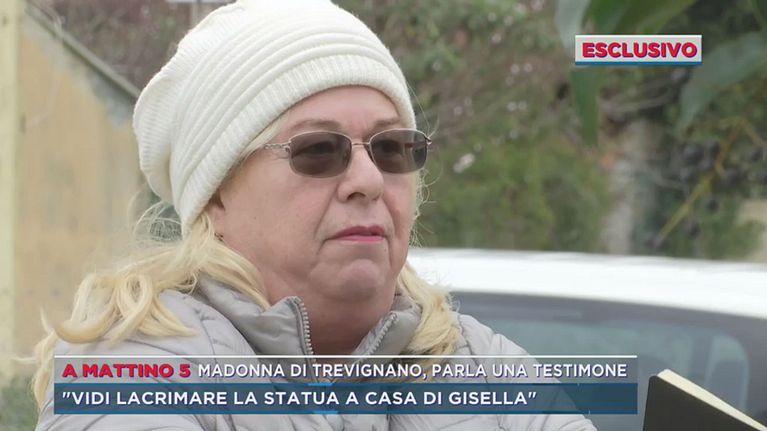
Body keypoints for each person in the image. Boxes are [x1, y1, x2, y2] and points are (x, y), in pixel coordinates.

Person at [33, 0, 597, 429]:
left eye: (391, 148)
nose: (368, 180)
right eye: (318, 151)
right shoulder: (132, 375)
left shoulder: (484, 366)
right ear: (217, 196)